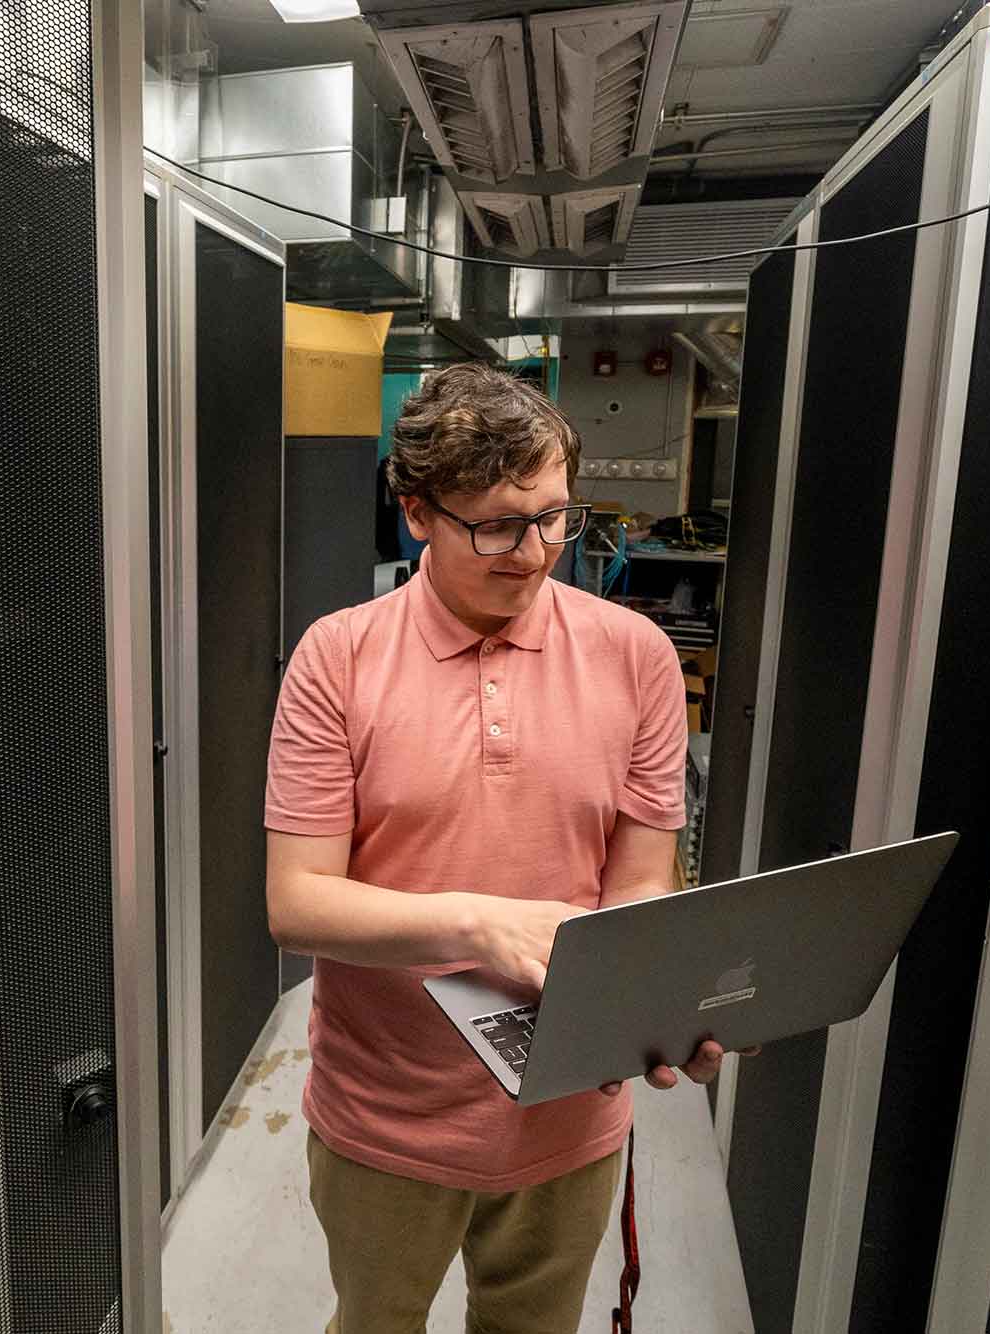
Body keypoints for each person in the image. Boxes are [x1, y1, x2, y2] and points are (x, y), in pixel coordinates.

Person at [265, 363, 745, 1334]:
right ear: (416, 512)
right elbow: (297, 901)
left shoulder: (637, 657)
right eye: (496, 526)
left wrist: (661, 1005)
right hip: (386, 1116)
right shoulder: (337, 657)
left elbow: (638, 883)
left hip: (568, 1112)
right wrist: (479, 924)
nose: (532, 554)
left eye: (553, 517)